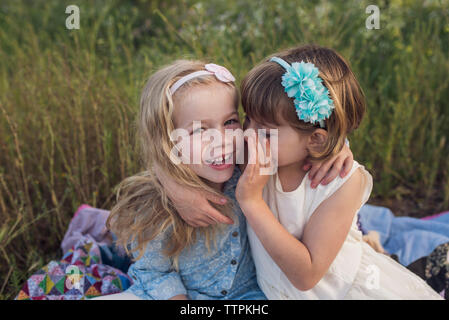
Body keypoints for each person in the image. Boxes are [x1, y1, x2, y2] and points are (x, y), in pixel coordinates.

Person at [92, 58, 353, 300]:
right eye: (199, 129)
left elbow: (295, 140)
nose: (222, 139)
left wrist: (338, 147)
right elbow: (154, 272)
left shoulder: (249, 170)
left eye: (230, 121)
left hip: (249, 296)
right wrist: (174, 186)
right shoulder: (155, 203)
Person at [234, 44, 442, 299]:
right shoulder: (255, 155)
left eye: (265, 131)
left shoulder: (341, 181)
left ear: (317, 140)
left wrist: (252, 202)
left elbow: (306, 275)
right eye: (246, 119)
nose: (247, 134)